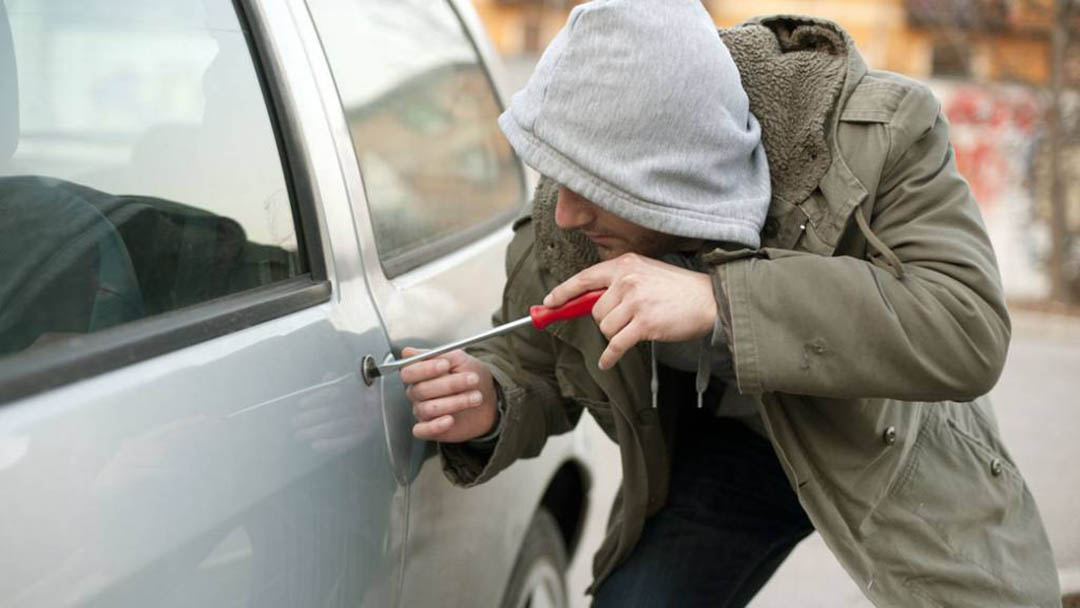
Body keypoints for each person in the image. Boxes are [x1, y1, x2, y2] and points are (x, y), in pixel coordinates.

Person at [401, 2, 1061, 606]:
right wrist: (492, 397)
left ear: (672, 172)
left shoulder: (883, 135)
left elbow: (963, 327)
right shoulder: (566, 224)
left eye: (595, 187)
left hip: (884, 433)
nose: (567, 212)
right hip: (731, 454)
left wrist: (718, 300)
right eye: (559, 176)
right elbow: (538, 360)